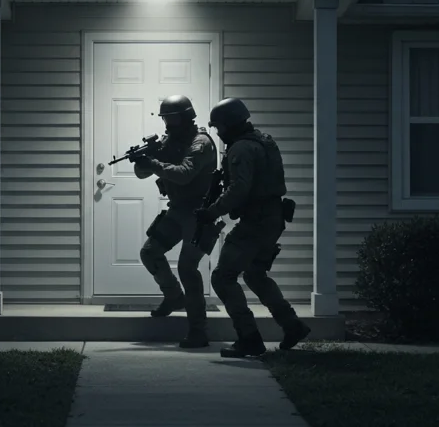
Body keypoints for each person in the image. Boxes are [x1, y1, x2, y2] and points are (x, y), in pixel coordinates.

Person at [193, 97, 311, 358]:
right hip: (273, 219)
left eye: (219, 127)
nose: (219, 133)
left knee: (222, 277)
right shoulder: (265, 141)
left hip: (255, 221)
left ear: (230, 124)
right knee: (255, 274)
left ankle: (249, 338)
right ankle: (293, 325)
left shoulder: (241, 149)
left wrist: (211, 212)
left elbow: (239, 189)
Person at [131, 94, 218, 348]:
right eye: (165, 118)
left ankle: (198, 331)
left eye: (172, 117)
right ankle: (173, 296)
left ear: (186, 117)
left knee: (187, 269)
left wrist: (155, 162)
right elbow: (142, 173)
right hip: (178, 210)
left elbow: (185, 174)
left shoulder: (200, 142)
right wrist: (143, 159)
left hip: (200, 214)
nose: (167, 123)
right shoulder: (170, 140)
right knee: (150, 252)